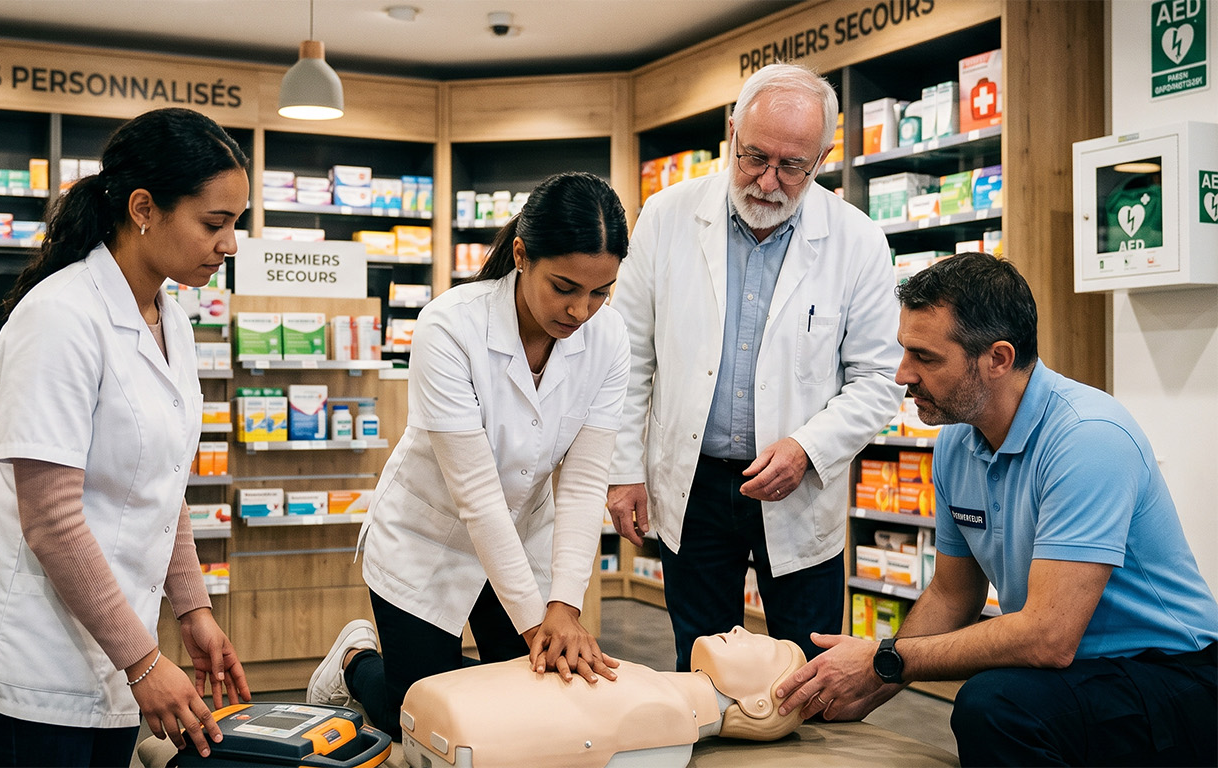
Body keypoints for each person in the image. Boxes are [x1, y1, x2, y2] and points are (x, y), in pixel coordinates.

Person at [777, 252, 1218, 767]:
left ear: (998, 358)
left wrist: (882, 660)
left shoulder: (1088, 438)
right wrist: (865, 688)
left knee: (995, 704)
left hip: (1174, 675)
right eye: (904, 351)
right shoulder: (957, 443)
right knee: (1001, 697)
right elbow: (953, 595)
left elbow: (1048, 637)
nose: (902, 374)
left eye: (925, 357)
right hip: (1083, 674)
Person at [0, 107, 252, 767]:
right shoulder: (60, 316)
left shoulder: (173, 322)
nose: (229, 244)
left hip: (117, 644)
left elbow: (163, 482)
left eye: (235, 224)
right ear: (144, 208)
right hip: (38, 654)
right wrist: (143, 661)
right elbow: (51, 520)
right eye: (214, 223)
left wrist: (192, 610)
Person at [305, 171, 631, 740]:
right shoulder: (450, 326)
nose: (581, 311)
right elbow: (477, 496)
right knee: (422, 721)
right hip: (428, 539)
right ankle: (356, 662)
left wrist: (564, 608)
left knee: (533, 711)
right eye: (565, 287)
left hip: (522, 537)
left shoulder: (609, 339)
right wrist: (536, 628)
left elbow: (583, 486)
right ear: (522, 256)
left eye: (600, 292)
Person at [607, 62, 903, 670]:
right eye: (754, 157)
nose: (768, 181)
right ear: (732, 132)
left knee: (810, 668)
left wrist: (808, 448)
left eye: (792, 166)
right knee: (702, 667)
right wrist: (623, 470)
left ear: (822, 159)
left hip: (798, 485)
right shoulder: (666, 216)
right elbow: (627, 358)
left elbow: (879, 380)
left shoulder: (858, 240)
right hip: (692, 484)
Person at [400, 627, 808, 768]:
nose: (739, 629)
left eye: (761, 645)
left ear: (759, 705)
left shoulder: (666, 712)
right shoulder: (654, 688)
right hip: (451, 715)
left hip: (460, 725)